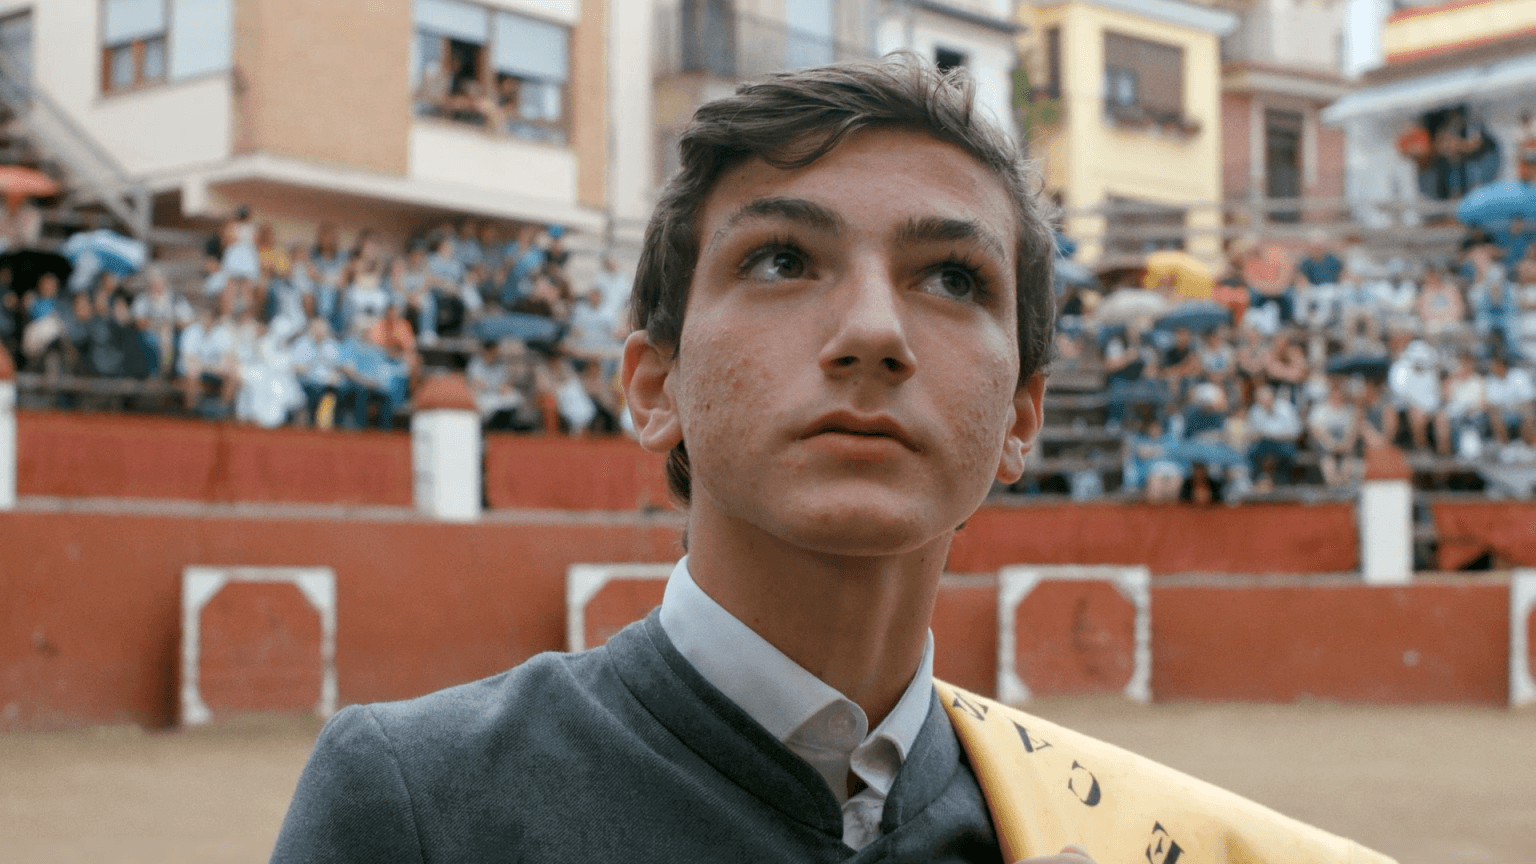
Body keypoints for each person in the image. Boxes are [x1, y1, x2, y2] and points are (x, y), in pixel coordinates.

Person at [272, 59, 1390, 864]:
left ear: (1022, 418)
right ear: (653, 388)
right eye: (780, 257)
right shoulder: (417, 802)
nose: (873, 331)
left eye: (953, 277)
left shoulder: (1074, 835)